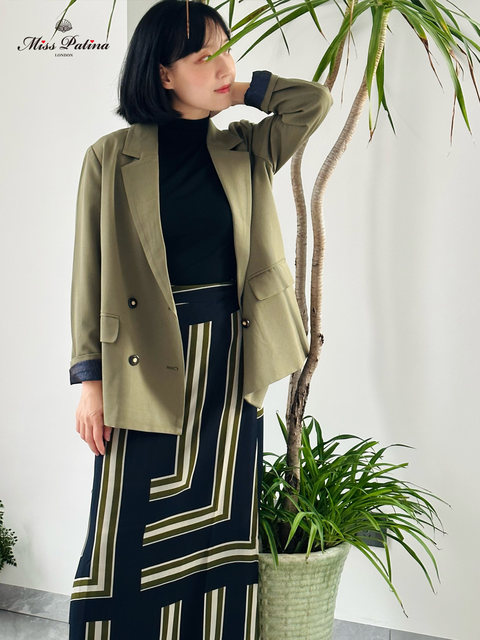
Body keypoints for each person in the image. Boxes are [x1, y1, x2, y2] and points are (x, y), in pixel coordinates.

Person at [68, 0, 333, 637]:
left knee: (221, 522)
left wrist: (235, 89)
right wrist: (89, 380)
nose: (222, 65)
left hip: (232, 358)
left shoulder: (245, 145)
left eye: (225, 50)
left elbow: (312, 102)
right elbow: (88, 273)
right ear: (163, 74)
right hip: (142, 359)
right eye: (202, 56)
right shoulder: (110, 157)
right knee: (124, 525)